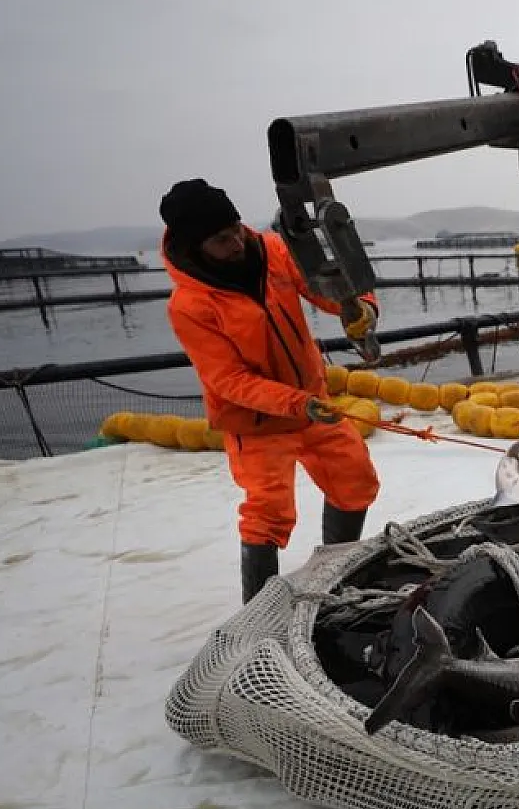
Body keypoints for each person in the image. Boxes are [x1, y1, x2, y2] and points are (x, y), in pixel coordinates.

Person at [158, 178, 384, 604]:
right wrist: (297, 403)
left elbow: (326, 287)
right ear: (196, 246)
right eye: (222, 240)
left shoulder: (276, 251)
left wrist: (361, 308)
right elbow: (227, 380)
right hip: (257, 422)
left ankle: (335, 574)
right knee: (269, 514)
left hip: (314, 403)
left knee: (354, 479)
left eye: (237, 229)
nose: (237, 243)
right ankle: (257, 611)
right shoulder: (190, 305)